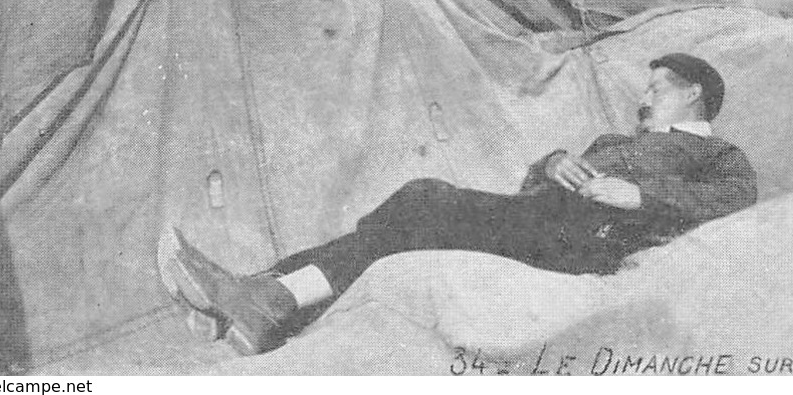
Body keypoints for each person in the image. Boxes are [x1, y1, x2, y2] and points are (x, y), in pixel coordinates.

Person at [158, 53, 755, 355]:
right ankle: (265, 298)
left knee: (421, 206)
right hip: (548, 222)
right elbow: (531, 194)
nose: (645, 98)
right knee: (416, 205)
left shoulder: (719, 155)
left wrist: (641, 197)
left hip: (590, 243)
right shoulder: (616, 141)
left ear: (693, 93)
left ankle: (265, 297)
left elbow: (738, 199)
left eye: (656, 89)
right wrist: (552, 164)